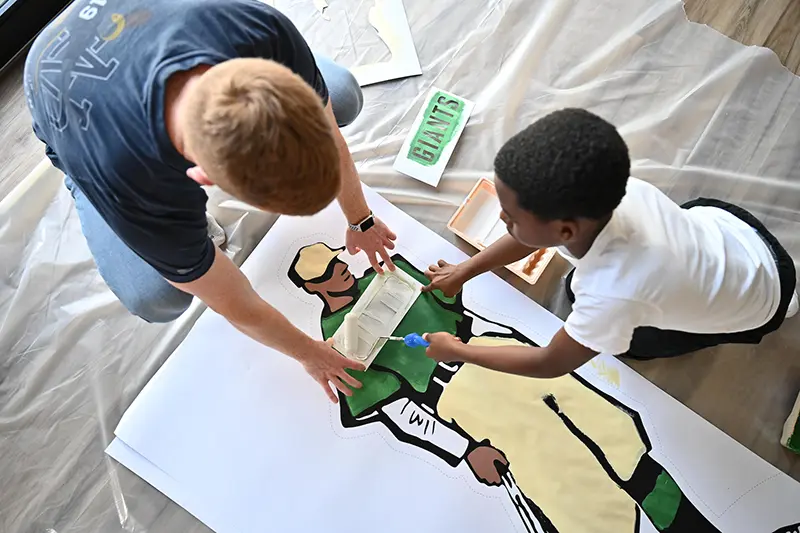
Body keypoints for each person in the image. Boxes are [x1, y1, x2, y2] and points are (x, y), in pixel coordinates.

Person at [24, 0, 400, 400]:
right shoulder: (132, 178)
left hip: (123, 16)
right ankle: (80, 181)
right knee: (157, 296)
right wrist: (310, 353)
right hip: (58, 83)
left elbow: (326, 132)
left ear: (277, 77)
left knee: (341, 97)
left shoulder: (261, 29)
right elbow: (234, 302)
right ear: (201, 179)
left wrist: (361, 219)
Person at [288, 242, 721, 533]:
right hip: (462, 396)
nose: (342, 270)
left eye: (338, 262)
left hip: (495, 350)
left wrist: (453, 282)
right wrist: (464, 449)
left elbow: (449, 304)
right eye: (330, 272)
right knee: (574, 495)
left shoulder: (390, 274)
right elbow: (399, 410)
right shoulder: (331, 345)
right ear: (312, 287)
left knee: (620, 441)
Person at [423, 108, 798, 377]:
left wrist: (461, 351)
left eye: (510, 216)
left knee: (631, 342)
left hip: (754, 309)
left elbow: (550, 362)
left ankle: (786, 305)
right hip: (741, 238)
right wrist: (466, 270)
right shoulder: (611, 191)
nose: (503, 219)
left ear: (565, 231)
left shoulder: (611, 295)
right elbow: (528, 237)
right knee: (586, 289)